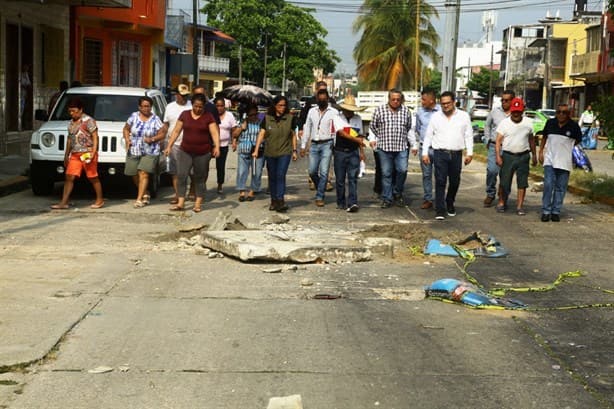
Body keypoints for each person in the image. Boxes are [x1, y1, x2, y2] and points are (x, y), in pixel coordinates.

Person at [164, 93, 221, 212]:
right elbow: (176, 131)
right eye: (195, 106)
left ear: (204, 106)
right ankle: (181, 203)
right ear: (192, 104)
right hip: (185, 151)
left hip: (203, 152)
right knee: (181, 175)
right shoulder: (185, 115)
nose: (198, 109)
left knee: (199, 178)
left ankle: (198, 203)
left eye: (200, 107)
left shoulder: (208, 116)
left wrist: (217, 147)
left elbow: (214, 133)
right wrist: (169, 146)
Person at [422, 91, 473, 220]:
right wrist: (425, 153)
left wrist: (470, 152)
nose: (445, 106)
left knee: (455, 181)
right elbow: (428, 135)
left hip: (456, 154)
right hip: (440, 153)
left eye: (448, 103)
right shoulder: (436, 117)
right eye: (443, 103)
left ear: (454, 102)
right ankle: (440, 209)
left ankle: (450, 202)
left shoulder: (463, 116)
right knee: (440, 181)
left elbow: (468, 135)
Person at [51, 98, 104, 210]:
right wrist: (66, 155)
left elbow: (95, 137)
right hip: (75, 154)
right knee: (69, 177)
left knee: (92, 177)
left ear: (80, 110)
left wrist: (93, 152)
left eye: (74, 111)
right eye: (70, 111)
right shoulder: (71, 123)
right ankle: (64, 202)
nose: (72, 113)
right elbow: (70, 139)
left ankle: (100, 199)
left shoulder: (88, 121)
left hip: (87, 153)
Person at [369, 89, 414, 208]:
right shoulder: (380, 110)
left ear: (401, 100)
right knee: (386, 173)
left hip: (401, 147)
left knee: (402, 170)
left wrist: (413, 144)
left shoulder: (406, 111)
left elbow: (408, 127)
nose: (395, 101)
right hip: (384, 148)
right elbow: (373, 126)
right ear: (389, 99)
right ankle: (387, 198)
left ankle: (397, 192)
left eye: (398, 99)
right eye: (393, 99)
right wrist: (378, 138)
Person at [254, 95, 298, 212]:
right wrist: (256, 149)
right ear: (274, 106)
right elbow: (261, 134)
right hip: (270, 152)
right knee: (272, 177)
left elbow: (293, 135)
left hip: (285, 151)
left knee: (280, 175)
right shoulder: (267, 118)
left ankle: (280, 200)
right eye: (280, 105)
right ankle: (273, 201)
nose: (282, 108)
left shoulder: (290, 118)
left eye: (284, 105)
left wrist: (294, 150)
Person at [538, 104, 582, 222]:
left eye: (564, 113)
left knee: (560, 188)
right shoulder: (550, 123)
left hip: (564, 162)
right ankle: (546, 211)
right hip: (550, 160)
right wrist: (541, 152)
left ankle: (556, 211)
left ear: (569, 114)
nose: (561, 115)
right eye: (559, 112)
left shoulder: (574, 126)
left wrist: (565, 148)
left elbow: (577, 141)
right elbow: (544, 138)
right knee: (548, 185)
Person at [494, 97, 537, 215]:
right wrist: (498, 156)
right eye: (514, 111)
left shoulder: (528, 123)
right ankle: (502, 202)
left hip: (523, 156)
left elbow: (531, 139)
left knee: (522, 182)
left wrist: (534, 155)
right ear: (511, 111)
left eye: (519, 111)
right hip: (508, 156)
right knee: (504, 181)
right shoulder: (505, 123)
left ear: (522, 111)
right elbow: (498, 141)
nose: (516, 114)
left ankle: (519, 206)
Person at [123, 96, 166, 208]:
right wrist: (127, 139)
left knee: (143, 172)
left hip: (150, 150)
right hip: (135, 148)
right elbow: (126, 128)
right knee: (132, 172)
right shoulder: (134, 116)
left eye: (149, 106)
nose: (147, 109)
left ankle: (139, 199)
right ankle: (145, 192)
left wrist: (152, 139)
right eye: (144, 106)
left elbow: (162, 133)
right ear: (139, 107)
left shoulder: (155, 119)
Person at [300, 89, 338, 207]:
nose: (322, 100)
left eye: (324, 99)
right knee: (312, 171)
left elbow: (336, 130)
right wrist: (303, 145)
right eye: (319, 98)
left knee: (324, 172)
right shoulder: (311, 111)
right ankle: (319, 186)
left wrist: (335, 146)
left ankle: (320, 196)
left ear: (327, 99)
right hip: (314, 144)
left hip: (327, 144)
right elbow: (307, 128)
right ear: (316, 99)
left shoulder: (334, 112)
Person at [332, 95, 366, 212]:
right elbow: (341, 133)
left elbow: (360, 135)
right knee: (340, 179)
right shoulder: (337, 118)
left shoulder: (358, 119)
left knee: (353, 178)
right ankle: (341, 201)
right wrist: (357, 140)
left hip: (353, 152)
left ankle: (353, 202)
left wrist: (362, 152)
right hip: (340, 151)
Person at [483, 90, 515, 207]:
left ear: (512, 101)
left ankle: (503, 196)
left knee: (506, 174)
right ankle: (490, 193)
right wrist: (486, 139)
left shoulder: (516, 113)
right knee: (492, 170)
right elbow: (487, 125)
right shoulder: (495, 112)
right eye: (502, 100)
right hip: (493, 146)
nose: (504, 102)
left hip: (509, 148)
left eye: (507, 100)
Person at [411, 89, 440, 209]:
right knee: (426, 175)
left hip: (439, 148)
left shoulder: (441, 112)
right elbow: (418, 128)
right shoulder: (420, 112)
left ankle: (440, 199)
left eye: (423, 99)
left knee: (440, 175)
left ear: (431, 100)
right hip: (425, 148)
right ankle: (428, 198)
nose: (421, 102)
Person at [163, 84, 192, 204]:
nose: (184, 98)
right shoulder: (169, 107)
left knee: (190, 172)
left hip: (189, 144)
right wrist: (164, 141)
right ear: (176, 95)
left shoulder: (191, 106)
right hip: (174, 144)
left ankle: (192, 191)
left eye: (186, 95)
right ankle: (178, 194)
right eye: (182, 95)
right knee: (175, 172)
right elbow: (166, 124)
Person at [231, 105, 265, 202]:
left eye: (256, 114)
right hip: (244, 150)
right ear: (247, 115)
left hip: (257, 151)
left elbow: (264, 135)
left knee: (257, 172)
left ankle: (252, 191)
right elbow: (234, 134)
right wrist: (242, 127)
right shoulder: (241, 122)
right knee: (242, 171)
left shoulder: (261, 123)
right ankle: (242, 191)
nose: (254, 116)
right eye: (251, 115)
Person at [213, 96, 237, 195]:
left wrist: (234, 141)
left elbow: (234, 129)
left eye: (221, 106)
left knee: (220, 166)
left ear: (225, 106)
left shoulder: (229, 115)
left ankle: (220, 184)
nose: (219, 108)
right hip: (211, 144)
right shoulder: (210, 114)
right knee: (204, 166)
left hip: (223, 144)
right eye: (217, 106)